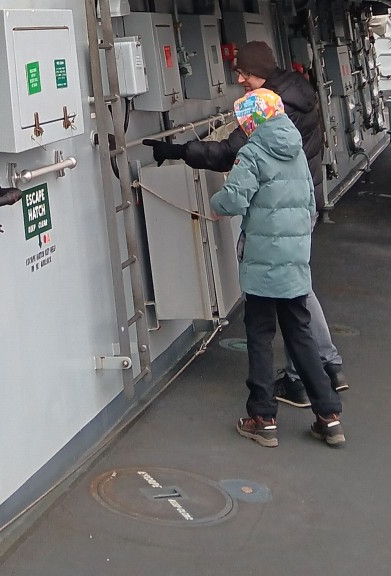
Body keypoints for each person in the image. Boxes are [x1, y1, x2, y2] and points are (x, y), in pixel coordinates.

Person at [146, 39, 347, 404]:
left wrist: (179, 151)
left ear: (260, 74)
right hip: (300, 206)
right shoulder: (294, 98)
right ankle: (325, 377)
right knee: (298, 287)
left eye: (244, 74)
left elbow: (231, 154)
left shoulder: (267, 113)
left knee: (280, 308)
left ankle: (295, 385)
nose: (239, 80)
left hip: (274, 215)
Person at [209, 89, 345, 446]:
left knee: (260, 337)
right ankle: (329, 416)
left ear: (251, 121)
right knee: (301, 336)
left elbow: (233, 199)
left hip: (262, 265)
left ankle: (263, 417)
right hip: (294, 261)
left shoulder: (253, 152)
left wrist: (215, 204)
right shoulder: (296, 151)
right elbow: (310, 204)